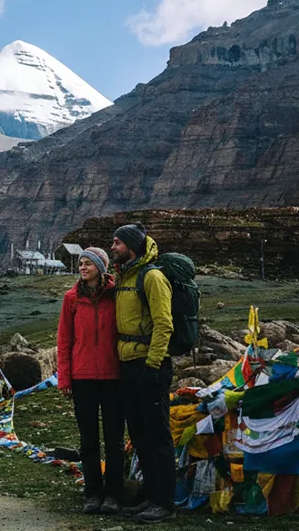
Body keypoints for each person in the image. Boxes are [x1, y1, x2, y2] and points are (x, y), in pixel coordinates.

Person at [110, 223, 176, 523]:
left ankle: (164, 502)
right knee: (139, 434)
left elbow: (164, 323)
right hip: (128, 364)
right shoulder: (125, 276)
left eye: (118, 243)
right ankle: (150, 496)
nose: (113, 247)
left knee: (157, 434)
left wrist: (153, 365)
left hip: (150, 365)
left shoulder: (152, 277)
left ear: (132, 247)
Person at [57, 247, 123, 515]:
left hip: (113, 377)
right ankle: (93, 494)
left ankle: (114, 494)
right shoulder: (71, 298)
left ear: (101, 267)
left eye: (88, 263)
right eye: (81, 263)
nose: (82, 267)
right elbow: (64, 340)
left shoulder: (116, 295)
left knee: (114, 438)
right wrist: (64, 378)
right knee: (88, 439)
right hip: (82, 377)